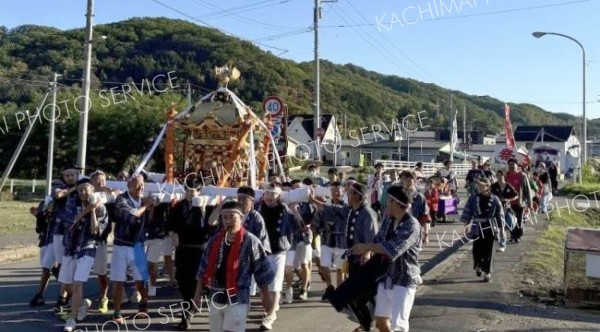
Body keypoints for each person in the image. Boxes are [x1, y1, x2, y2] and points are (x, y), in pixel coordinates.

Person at [193, 200, 275, 332]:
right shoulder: (214, 240)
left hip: (238, 297)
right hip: (216, 295)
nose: (228, 220)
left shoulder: (251, 241)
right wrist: (197, 295)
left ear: (241, 218)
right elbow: (203, 268)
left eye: (232, 217)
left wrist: (266, 297)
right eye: (225, 217)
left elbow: (262, 271)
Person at [349, 185, 422, 332]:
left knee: (398, 325)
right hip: (385, 278)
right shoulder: (389, 220)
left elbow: (393, 249)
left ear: (395, 202)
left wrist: (366, 247)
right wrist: (366, 252)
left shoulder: (412, 224)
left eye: (387, 201)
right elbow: (378, 240)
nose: (385, 204)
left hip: (404, 279)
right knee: (381, 322)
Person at [62, 178, 108, 332]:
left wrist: (93, 210)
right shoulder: (72, 204)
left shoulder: (101, 208)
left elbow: (95, 231)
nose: (82, 192)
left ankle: (71, 319)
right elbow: (70, 223)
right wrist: (85, 211)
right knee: (68, 285)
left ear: (92, 189)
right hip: (70, 247)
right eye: (79, 189)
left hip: (88, 247)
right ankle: (83, 304)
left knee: (77, 284)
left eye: (85, 189)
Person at [169, 188, 214, 330]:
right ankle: (190, 305)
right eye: (188, 191)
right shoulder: (179, 206)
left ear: (199, 192)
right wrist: (172, 234)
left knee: (195, 282)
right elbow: (170, 224)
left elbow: (210, 226)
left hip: (199, 249)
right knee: (182, 281)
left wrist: (202, 208)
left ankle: (186, 315)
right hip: (183, 248)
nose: (191, 194)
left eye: (194, 191)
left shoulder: (207, 204)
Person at [110, 175, 151, 324]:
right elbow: (130, 216)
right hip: (121, 245)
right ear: (129, 186)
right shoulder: (122, 200)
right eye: (137, 185)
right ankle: (117, 312)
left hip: (138, 245)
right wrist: (146, 206)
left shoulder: (144, 199)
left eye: (143, 185)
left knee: (141, 279)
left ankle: (143, 306)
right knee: (118, 280)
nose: (141, 188)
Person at [257, 183, 296, 331]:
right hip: (262, 252)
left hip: (279, 251)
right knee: (263, 286)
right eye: (267, 193)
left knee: (276, 285)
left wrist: (295, 210)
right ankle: (269, 309)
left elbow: (295, 224)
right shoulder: (259, 208)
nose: (269, 197)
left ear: (279, 197)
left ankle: (269, 317)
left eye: (273, 194)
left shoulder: (284, 209)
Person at [460, 178, 504, 282]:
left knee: (489, 250)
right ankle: (479, 265)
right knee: (477, 249)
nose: (480, 188)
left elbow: (499, 215)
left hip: (490, 226)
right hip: (477, 226)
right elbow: (468, 211)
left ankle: (487, 272)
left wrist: (501, 229)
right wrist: (466, 226)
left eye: (482, 186)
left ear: (488, 187)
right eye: (479, 186)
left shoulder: (495, 199)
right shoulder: (473, 198)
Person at [314, 181, 349, 301]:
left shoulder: (347, 207)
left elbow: (333, 210)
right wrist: (315, 232)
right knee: (324, 266)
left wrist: (313, 200)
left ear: (343, 191)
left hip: (342, 242)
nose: (336, 192)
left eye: (338, 190)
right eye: (333, 190)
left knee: (341, 269)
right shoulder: (324, 206)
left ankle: (340, 291)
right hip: (327, 240)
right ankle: (329, 287)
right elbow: (317, 220)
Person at [505, 158, 533, 243]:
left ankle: (517, 236)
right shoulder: (506, 175)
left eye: (513, 164)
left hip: (520, 202)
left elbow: (528, 190)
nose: (511, 166)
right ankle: (513, 236)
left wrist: (530, 204)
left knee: (519, 220)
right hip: (509, 202)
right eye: (509, 164)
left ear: (517, 165)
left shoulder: (522, 176)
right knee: (510, 220)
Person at [490, 170, 518, 252]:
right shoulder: (494, 186)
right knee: (495, 227)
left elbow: (516, 195)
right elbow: (489, 195)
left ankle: (502, 245)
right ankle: (497, 236)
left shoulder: (508, 186)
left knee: (502, 227)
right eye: (497, 176)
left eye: (500, 175)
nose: (499, 177)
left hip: (505, 208)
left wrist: (508, 199)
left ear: (504, 176)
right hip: (495, 209)